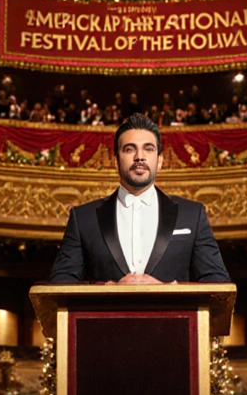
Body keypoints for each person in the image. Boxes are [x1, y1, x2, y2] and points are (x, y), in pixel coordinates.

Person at [48, 114, 230, 283]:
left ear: (159, 161)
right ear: (116, 162)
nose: (139, 157)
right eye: (129, 149)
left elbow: (218, 284)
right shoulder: (83, 218)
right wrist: (105, 290)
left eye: (148, 149)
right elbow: (59, 285)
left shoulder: (192, 215)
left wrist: (171, 290)